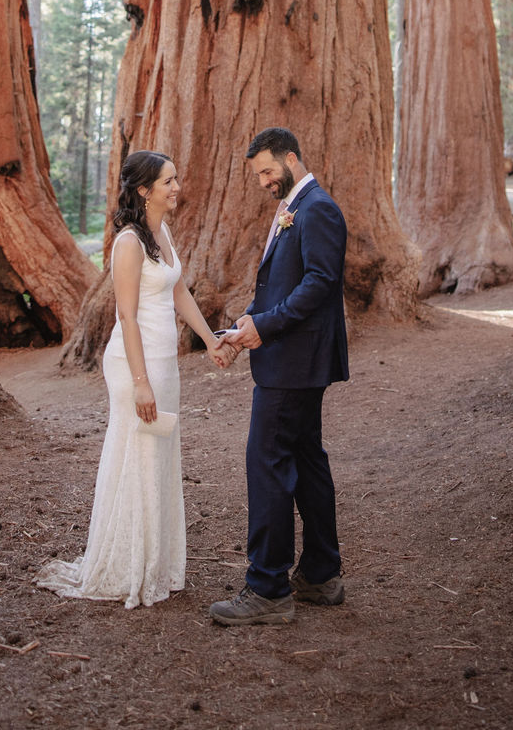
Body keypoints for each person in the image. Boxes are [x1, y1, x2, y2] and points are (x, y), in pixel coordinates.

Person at [36, 150, 231, 609]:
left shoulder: (162, 232)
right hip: (134, 365)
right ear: (144, 190)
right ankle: (127, 565)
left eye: (176, 178)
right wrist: (141, 382)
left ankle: (155, 561)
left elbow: (178, 290)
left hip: (165, 362)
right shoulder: (128, 242)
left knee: (157, 455)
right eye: (168, 181)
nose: (177, 186)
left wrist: (211, 340)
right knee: (137, 454)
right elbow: (125, 314)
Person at [209, 127, 349, 625]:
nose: (265, 181)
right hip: (292, 358)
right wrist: (244, 324)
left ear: (291, 157)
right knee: (306, 459)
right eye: (258, 175)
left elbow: (319, 286)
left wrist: (264, 329)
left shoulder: (317, 208)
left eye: (268, 170)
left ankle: (267, 587)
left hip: (295, 363)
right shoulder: (297, 205)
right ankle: (319, 575)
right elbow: (278, 286)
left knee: (266, 462)